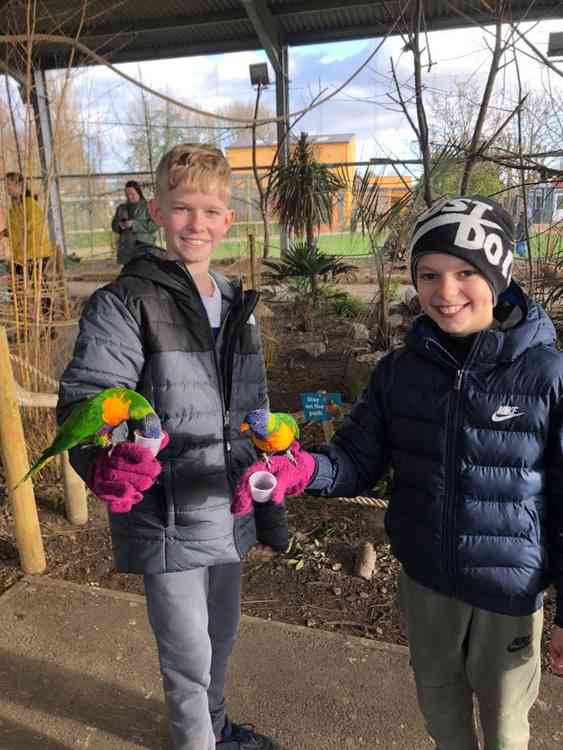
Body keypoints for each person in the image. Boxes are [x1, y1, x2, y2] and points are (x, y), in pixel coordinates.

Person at [235, 195, 563, 749]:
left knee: (507, 731)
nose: (446, 291)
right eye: (429, 274)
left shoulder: (547, 374)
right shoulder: (398, 372)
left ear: (500, 276)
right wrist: (302, 468)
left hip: (509, 594)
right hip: (427, 582)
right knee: (443, 721)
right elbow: (356, 459)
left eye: (466, 273)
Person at [57, 143, 282, 750]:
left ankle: (215, 729)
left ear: (229, 218)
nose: (197, 224)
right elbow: (91, 400)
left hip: (227, 507)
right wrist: (108, 459)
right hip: (167, 511)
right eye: (183, 209)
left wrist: (273, 459)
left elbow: (250, 407)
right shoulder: (126, 302)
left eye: (211, 210)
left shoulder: (239, 305)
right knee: (187, 655)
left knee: (223, 637)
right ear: (156, 211)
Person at [5, 171, 53, 275]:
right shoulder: (14, 208)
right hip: (21, 256)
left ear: (20, 185)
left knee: (25, 284)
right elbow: (13, 229)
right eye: (5, 184)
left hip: (35, 255)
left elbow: (32, 229)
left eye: (9, 184)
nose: (6, 188)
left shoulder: (30, 205)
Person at [111, 179, 158, 264]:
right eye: (127, 194)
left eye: (132, 194)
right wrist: (119, 226)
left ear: (138, 192)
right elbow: (113, 226)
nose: (129, 197)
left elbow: (154, 226)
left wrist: (134, 224)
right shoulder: (121, 208)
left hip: (143, 248)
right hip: (126, 249)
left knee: (143, 271)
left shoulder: (148, 207)